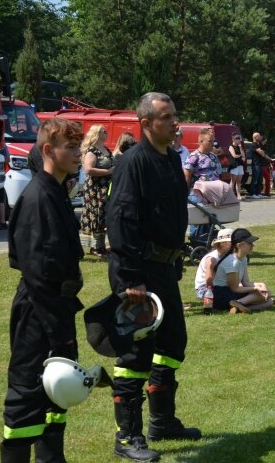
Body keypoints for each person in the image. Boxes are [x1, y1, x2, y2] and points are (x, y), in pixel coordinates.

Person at [107, 92, 201, 462]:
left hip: (164, 269)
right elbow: (121, 221)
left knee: (173, 344)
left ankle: (163, 421)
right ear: (145, 123)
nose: (175, 123)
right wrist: (132, 278)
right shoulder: (134, 162)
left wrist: (174, 260)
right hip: (139, 273)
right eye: (166, 117)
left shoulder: (171, 157)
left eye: (175, 115)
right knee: (135, 353)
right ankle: (127, 438)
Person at [0, 117, 85, 463]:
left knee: (57, 393)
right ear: (49, 150)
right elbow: (38, 275)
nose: (79, 153)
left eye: (79, 146)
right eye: (71, 147)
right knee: (27, 395)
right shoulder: (38, 197)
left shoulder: (57, 191)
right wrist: (58, 334)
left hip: (56, 311)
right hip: (39, 314)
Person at [211, 228, 275, 313]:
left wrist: (261, 285)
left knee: (270, 301)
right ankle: (238, 303)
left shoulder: (243, 258)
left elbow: (246, 282)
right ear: (239, 245)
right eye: (249, 243)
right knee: (262, 296)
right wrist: (255, 289)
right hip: (222, 295)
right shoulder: (233, 262)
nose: (252, 246)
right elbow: (235, 289)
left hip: (230, 292)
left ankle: (237, 307)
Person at [80, 124, 114, 257]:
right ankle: (95, 247)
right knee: (97, 214)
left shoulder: (105, 149)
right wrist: (108, 171)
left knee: (104, 215)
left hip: (106, 188)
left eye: (106, 130)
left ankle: (101, 247)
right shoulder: (92, 150)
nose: (106, 132)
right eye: (102, 131)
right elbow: (88, 169)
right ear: (96, 133)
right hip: (95, 189)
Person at [184, 127, 221, 237]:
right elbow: (187, 177)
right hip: (197, 196)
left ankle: (207, 246)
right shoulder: (193, 156)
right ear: (201, 141)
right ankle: (196, 245)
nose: (212, 144)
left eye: (213, 141)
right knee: (198, 223)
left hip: (212, 196)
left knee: (210, 223)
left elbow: (218, 175)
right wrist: (184, 195)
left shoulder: (214, 156)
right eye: (210, 141)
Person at [193, 228, 232, 303]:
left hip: (219, 285)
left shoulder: (226, 256)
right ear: (223, 243)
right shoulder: (212, 258)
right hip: (205, 289)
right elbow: (209, 281)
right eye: (231, 242)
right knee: (228, 296)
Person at [228, 132, 246, 200]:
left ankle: (238, 195)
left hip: (240, 165)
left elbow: (244, 156)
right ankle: (230, 196)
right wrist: (241, 156)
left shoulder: (239, 147)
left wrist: (241, 149)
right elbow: (234, 155)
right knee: (233, 181)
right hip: (234, 165)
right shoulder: (231, 147)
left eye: (239, 138)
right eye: (237, 138)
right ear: (233, 139)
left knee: (239, 181)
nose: (239, 140)